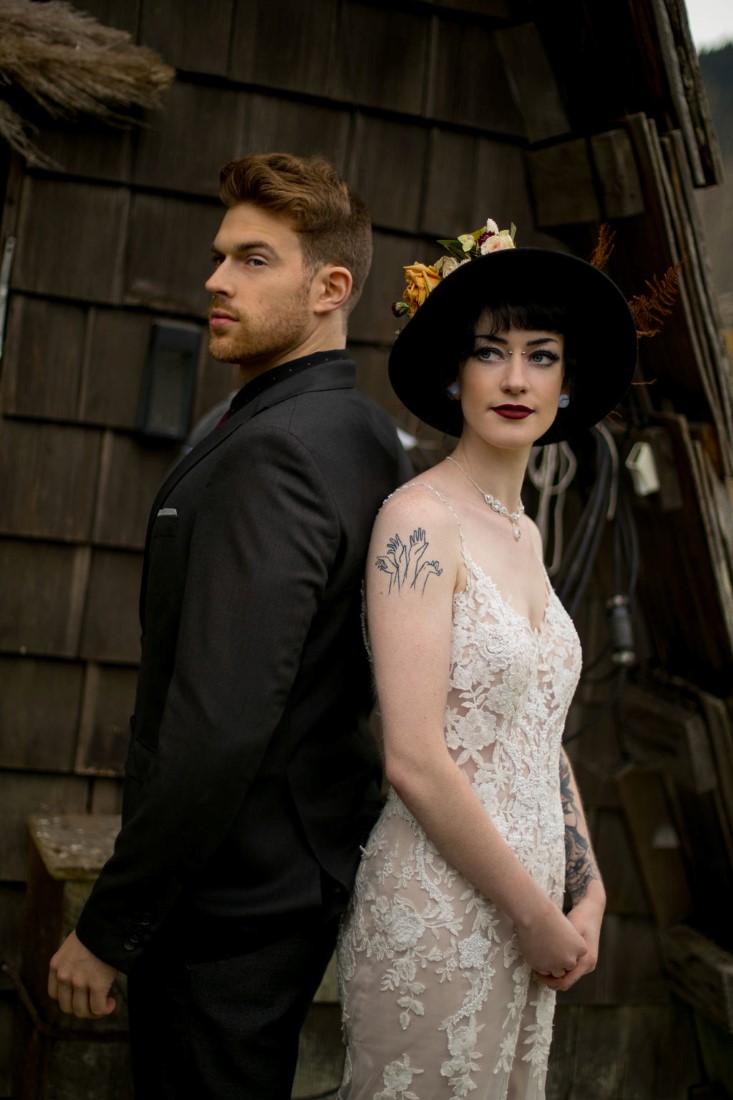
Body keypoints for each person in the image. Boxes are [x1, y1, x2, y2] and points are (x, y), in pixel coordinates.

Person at [47, 152, 411, 1098]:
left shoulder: (276, 453)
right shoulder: (360, 430)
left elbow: (219, 726)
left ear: (331, 287)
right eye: (220, 256)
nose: (213, 279)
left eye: (253, 259)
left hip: (231, 902)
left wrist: (108, 927)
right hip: (289, 874)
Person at [336, 221, 638, 1099]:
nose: (514, 380)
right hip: (440, 914)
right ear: (451, 373)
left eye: (540, 356)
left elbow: (538, 737)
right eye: (489, 353)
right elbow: (414, 758)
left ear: (566, 382)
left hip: (531, 917)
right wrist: (535, 913)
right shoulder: (417, 522)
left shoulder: (526, 532)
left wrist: (589, 889)